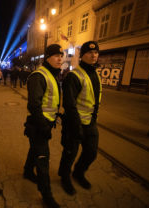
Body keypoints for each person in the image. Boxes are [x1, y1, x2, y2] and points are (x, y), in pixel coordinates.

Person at [58, 41, 102, 196]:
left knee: (91, 152)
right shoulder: (74, 75)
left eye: (96, 52)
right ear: (82, 56)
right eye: (90, 53)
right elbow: (69, 105)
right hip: (74, 123)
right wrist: (76, 126)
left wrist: (93, 118)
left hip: (90, 122)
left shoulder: (95, 73)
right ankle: (64, 176)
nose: (94, 55)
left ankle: (78, 173)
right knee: (70, 153)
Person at [23, 44, 63, 208]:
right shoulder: (39, 76)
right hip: (39, 125)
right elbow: (34, 105)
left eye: (61, 55)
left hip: (46, 122)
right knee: (43, 158)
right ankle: (46, 195)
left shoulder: (53, 74)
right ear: (47, 58)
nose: (60, 58)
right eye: (56, 56)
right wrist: (44, 126)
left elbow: (50, 100)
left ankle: (27, 171)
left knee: (34, 150)